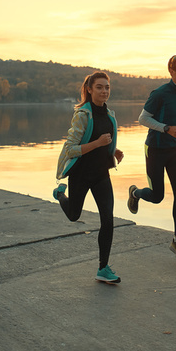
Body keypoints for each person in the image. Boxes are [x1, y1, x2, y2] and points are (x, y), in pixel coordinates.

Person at [53, 71, 124, 283]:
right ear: (90, 90)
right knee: (74, 215)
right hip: (81, 174)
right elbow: (71, 149)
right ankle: (60, 195)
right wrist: (98, 144)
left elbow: (105, 141)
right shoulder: (82, 115)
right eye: (100, 87)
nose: (104, 91)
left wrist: (113, 151)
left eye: (107, 87)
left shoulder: (110, 115)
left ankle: (103, 268)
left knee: (108, 219)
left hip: (101, 174)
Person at [127, 54, 176, 259]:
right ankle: (135, 193)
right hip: (155, 149)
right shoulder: (160, 93)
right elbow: (143, 118)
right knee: (157, 196)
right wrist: (165, 128)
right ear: (172, 71)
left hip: (175, 150)